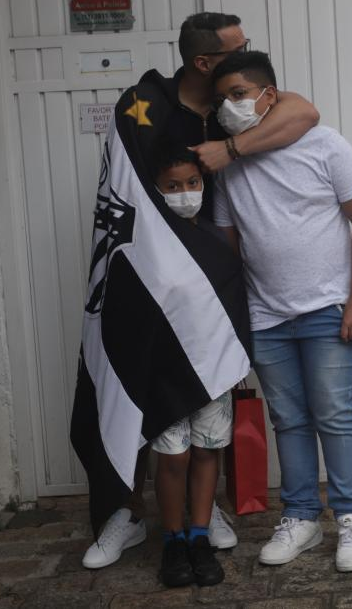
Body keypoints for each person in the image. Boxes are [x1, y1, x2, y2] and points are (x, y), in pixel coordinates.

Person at [81, 11, 319, 571]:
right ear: (203, 61)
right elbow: (126, 192)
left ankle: (201, 512)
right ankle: (125, 511)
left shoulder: (229, 109)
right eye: (237, 48)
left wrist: (231, 149)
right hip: (145, 280)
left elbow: (305, 112)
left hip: (210, 283)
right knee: (136, 387)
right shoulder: (144, 104)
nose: (247, 53)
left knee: (205, 399)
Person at [211, 51, 352, 573]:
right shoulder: (229, 167)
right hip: (266, 317)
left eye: (239, 94)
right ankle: (302, 516)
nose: (230, 106)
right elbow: (231, 246)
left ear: (270, 95)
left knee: (335, 413)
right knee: (289, 419)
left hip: (329, 308)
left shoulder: (324, 144)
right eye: (222, 98)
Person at [147, 139, 232, 587]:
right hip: (166, 374)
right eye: (173, 186)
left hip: (214, 370)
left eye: (193, 183)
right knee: (173, 457)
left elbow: (233, 305)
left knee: (205, 451)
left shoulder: (217, 240)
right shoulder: (146, 244)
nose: (185, 193)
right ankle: (172, 539)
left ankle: (200, 536)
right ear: (156, 189)